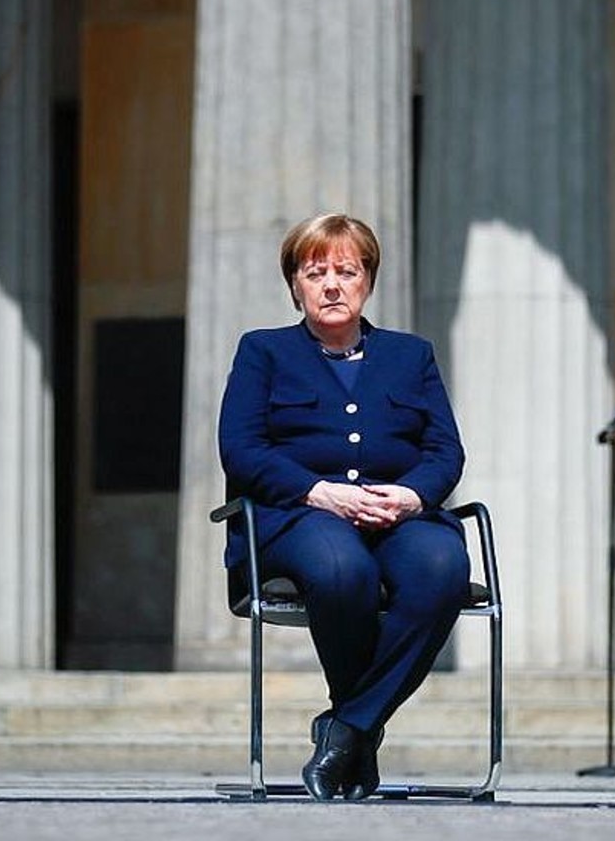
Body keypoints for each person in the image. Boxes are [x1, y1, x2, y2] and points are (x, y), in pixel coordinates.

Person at [217, 213, 471, 801]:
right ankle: (359, 733)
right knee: (341, 569)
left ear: (368, 281)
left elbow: (444, 449)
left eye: (346, 271)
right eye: (316, 272)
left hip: (395, 515)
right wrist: (318, 491)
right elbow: (241, 448)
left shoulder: (412, 356)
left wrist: (412, 495)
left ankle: (348, 726)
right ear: (295, 285)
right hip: (298, 514)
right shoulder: (263, 352)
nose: (331, 285)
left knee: (443, 570)